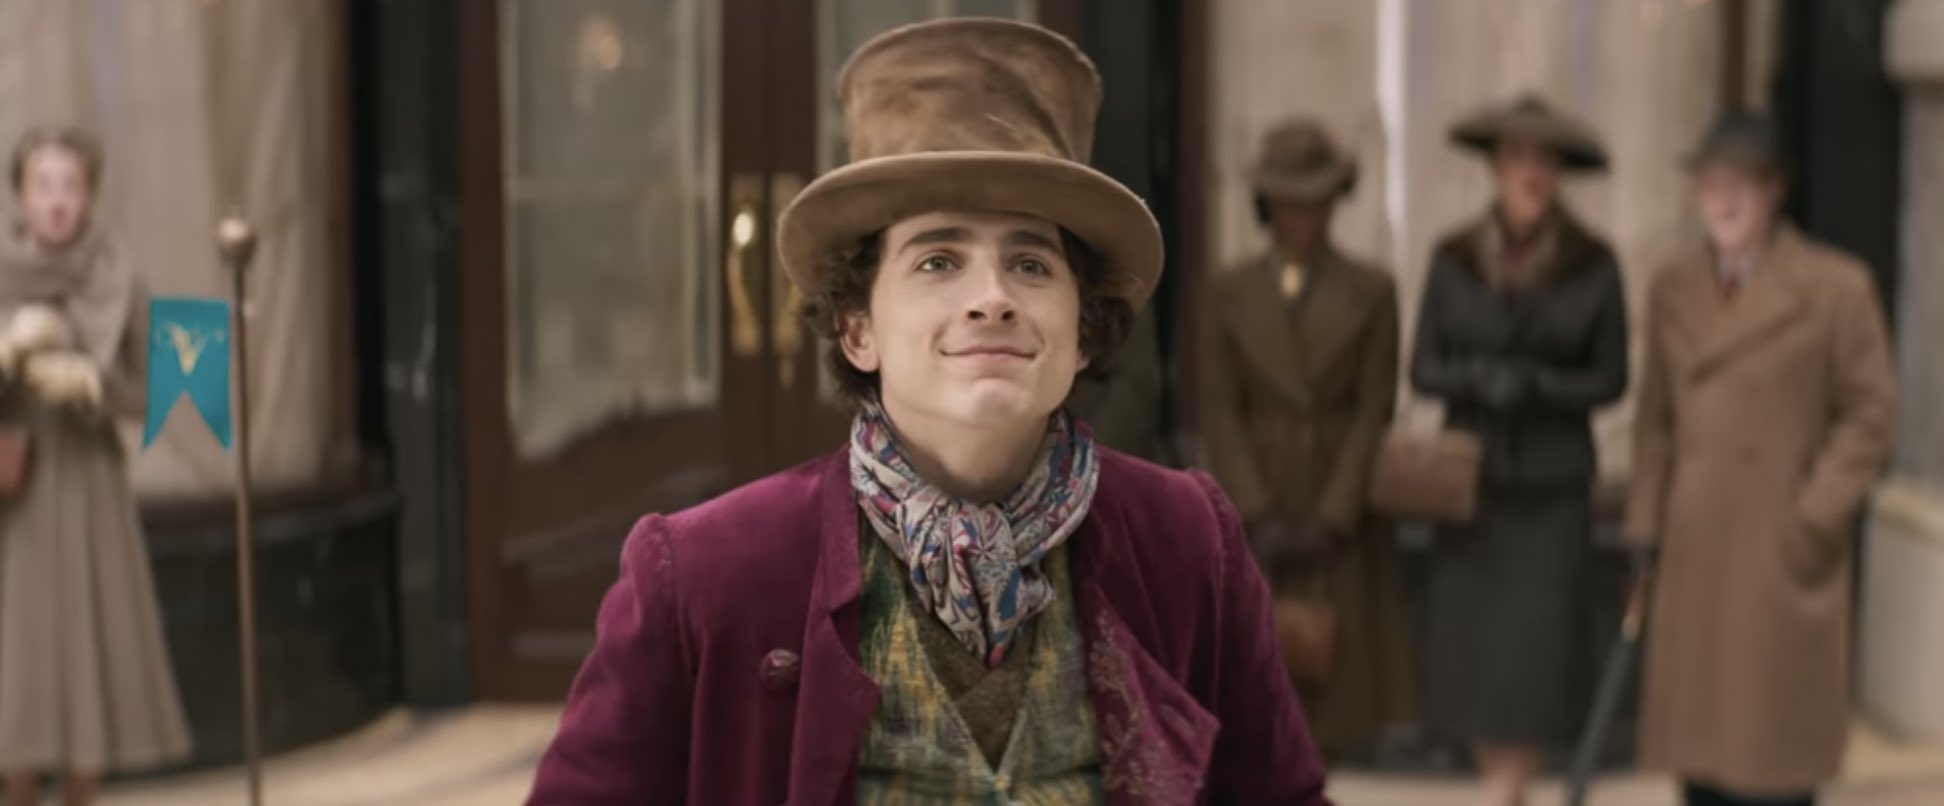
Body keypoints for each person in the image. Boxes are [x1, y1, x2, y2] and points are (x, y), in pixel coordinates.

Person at [527, 19, 1328, 805]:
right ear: (857, 327)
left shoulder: (1188, 541)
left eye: (1030, 263)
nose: (992, 298)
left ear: (1083, 329)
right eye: (939, 260)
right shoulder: (704, 576)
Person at [1625, 112, 1897, 806]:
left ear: (1774, 189)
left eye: (1740, 184)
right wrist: (1646, 524)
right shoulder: (1674, 289)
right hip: (1696, 553)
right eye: (1711, 184)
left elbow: (1871, 412)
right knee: (1701, 766)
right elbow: (1655, 419)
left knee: (1774, 766)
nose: (1724, 201)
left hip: (1777, 557)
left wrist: (1812, 517)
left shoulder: (1835, 288)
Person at [1410, 95, 1629, 806]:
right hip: (1472, 492)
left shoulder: (1594, 262)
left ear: (1558, 173)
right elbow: (1424, 368)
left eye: (1544, 161)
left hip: (1551, 492)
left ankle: (1506, 792)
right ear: (1497, 169)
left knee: (1535, 663)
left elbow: (1612, 378)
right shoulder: (1452, 256)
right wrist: (1477, 379)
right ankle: (1499, 787)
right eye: (1517, 159)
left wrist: (1540, 385)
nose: (1530, 174)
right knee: (1474, 662)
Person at [1200, 118, 1416, 760]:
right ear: (1266, 204)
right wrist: (1255, 509)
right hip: (1257, 507)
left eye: (1317, 200)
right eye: (1290, 201)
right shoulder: (1226, 293)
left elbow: (1374, 408)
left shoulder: (1371, 291)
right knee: (1251, 700)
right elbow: (1219, 409)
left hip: (1336, 515)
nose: (1304, 217)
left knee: (1333, 708)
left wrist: (1333, 516)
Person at [0, 127, 192, 806]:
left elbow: (163, 388)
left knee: (87, 655)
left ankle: (82, 788)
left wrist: (95, 384)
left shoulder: (115, 278)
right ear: (20, 197)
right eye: (43, 185)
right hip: (14, 492)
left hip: (89, 490)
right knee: (18, 660)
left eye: (70, 186)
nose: (57, 201)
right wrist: (9, 355)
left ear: (89, 197)